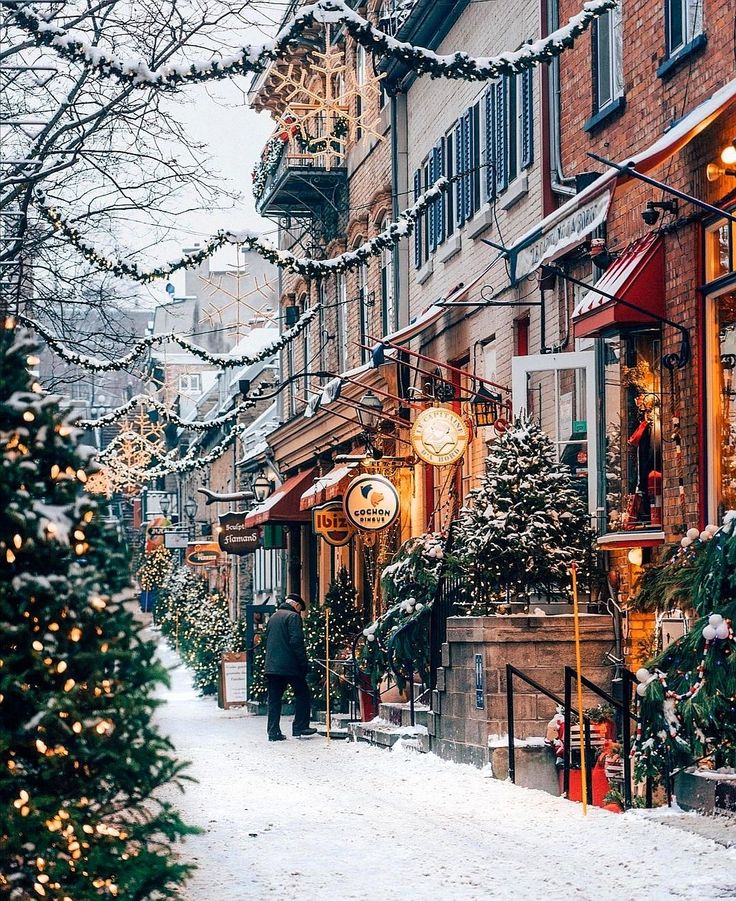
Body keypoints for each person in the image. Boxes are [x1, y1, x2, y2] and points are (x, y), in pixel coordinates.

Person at [264, 594, 317, 741]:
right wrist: (303, 664)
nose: (300, 611)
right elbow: (296, 642)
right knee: (302, 694)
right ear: (295, 605)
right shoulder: (293, 617)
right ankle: (300, 726)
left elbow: (265, 640)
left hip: (272, 667)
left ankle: (273, 732)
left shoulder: (273, 617)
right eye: (300, 608)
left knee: (274, 699)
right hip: (290, 666)